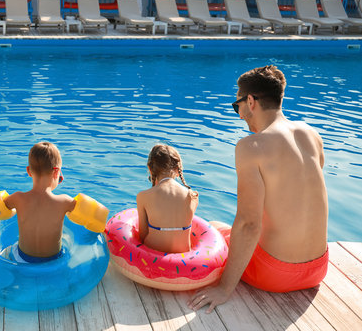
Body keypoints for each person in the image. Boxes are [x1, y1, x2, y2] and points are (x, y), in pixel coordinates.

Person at [188, 65, 329, 312]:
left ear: (250, 101)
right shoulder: (312, 134)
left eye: (237, 106)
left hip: (275, 274)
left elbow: (249, 224)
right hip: (318, 269)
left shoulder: (251, 146)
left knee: (216, 231)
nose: (240, 114)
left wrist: (224, 289)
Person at [0, 142, 76, 263]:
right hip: (54, 260)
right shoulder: (65, 201)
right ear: (56, 172)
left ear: (29, 171)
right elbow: (88, 217)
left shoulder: (17, 198)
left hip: (22, 258)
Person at [136, 144, 199, 254]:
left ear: (150, 169)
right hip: (183, 256)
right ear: (177, 169)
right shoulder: (192, 195)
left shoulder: (143, 196)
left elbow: (142, 235)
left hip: (151, 253)